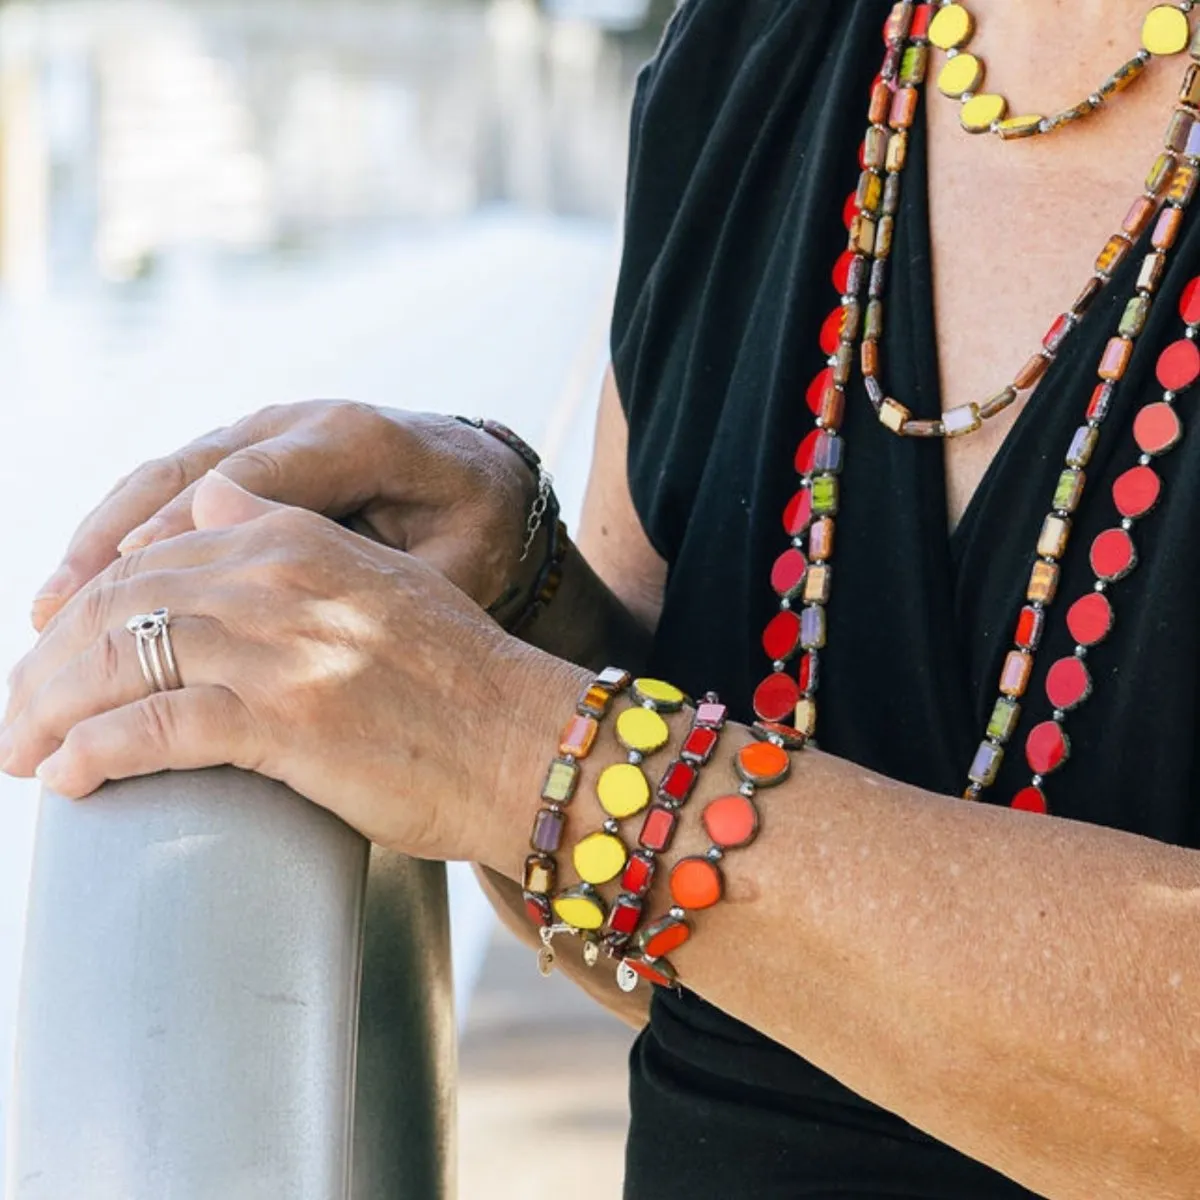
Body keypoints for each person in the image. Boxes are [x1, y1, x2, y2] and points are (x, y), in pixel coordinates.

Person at [3, 0, 1200, 1194]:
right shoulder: (748, 53)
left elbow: (594, 796)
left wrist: (517, 740)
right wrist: (523, 610)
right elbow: (673, 970)